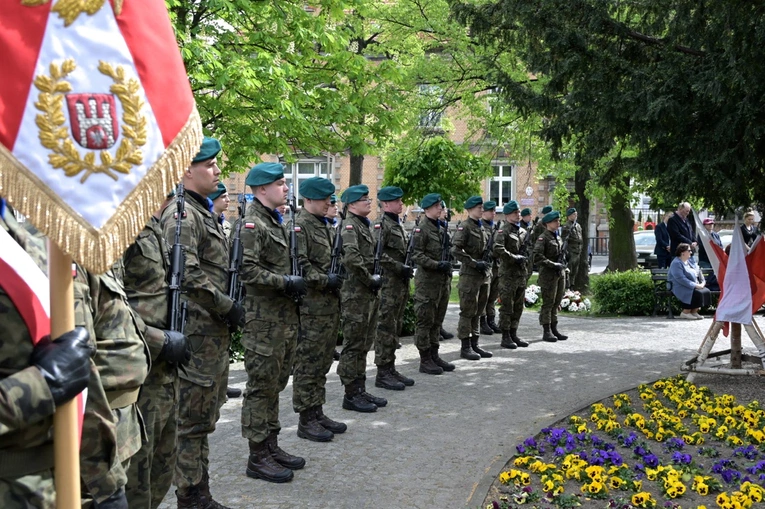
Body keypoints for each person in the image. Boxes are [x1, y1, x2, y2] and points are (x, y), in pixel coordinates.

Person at [160, 137, 243, 507]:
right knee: (191, 421)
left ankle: (201, 491)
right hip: (195, 334)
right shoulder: (182, 214)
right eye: (210, 165)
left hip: (210, 335)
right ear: (186, 169)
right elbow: (188, 276)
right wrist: (228, 306)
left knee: (204, 417)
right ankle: (190, 496)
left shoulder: (201, 211)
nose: (218, 170)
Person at [0, 199, 92, 509]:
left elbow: (76, 361)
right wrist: (41, 385)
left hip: (51, 482)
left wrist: (107, 478)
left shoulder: (14, 231)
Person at [238, 162, 306, 483]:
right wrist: (285, 282)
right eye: (280, 183)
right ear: (262, 189)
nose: (286, 187)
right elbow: (247, 271)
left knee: (275, 384)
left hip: (282, 319)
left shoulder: (276, 222)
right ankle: (257, 455)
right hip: (262, 321)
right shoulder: (252, 225)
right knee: (261, 386)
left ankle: (271, 443)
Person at [123, 194, 191, 508]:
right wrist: (159, 340)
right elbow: (107, 307)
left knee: (163, 466)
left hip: (166, 373)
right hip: (138, 372)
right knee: (136, 474)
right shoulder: (120, 226)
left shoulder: (154, 223)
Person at [75, 259, 151, 509]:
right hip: (100, 430)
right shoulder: (67, 259)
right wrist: (103, 480)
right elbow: (78, 373)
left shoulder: (92, 253)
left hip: (122, 423)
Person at [291, 177, 347, 443]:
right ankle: (306, 418)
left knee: (323, 361)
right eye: (325, 199)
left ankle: (317, 410)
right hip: (311, 308)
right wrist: (327, 280)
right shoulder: (301, 226)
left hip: (328, 307)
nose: (329, 203)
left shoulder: (323, 225)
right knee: (308, 363)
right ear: (310, 199)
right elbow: (301, 265)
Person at [337, 185, 388, 412]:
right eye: (363, 199)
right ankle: (350, 394)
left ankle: (360, 388)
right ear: (351, 204)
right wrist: (370, 278)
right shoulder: (349, 226)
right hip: (356, 293)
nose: (369, 201)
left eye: (368, 198)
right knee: (353, 345)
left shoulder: (362, 225)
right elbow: (352, 258)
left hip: (366, 293)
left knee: (364, 344)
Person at [373, 186, 416, 391]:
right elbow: (378, 255)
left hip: (400, 284)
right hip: (389, 284)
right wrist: (400, 267)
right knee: (385, 329)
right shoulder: (382, 225)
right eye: (397, 201)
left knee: (395, 327)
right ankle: (382, 371)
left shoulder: (396, 224)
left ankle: (390, 367)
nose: (401, 204)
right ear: (386, 204)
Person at [412, 194, 455, 375]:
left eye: (441, 206)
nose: (440, 208)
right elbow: (416, 255)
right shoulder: (422, 229)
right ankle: (425, 358)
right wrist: (436, 265)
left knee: (437, 320)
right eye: (437, 206)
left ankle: (434, 353)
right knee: (425, 321)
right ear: (427, 208)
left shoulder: (440, 229)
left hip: (441, 282)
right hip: (428, 282)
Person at [208, 183, 242, 401]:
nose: (228, 199)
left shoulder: (225, 225)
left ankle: (223, 381)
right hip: (211, 296)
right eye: (223, 196)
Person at [452, 195, 493, 360]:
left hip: (483, 276)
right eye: (479, 207)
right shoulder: (465, 227)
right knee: (467, 312)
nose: (482, 210)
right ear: (470, 210)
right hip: (470, 276)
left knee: (479, 312)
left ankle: (475, 343)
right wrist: (474, 263)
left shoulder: (482, 227)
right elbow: (455, 250)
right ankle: (465, 346)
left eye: (482, 207)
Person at [493, 201, 531, 349]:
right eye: (515, 213)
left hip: (520, 274)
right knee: (507, 306)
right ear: (508, 214)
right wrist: (514, 257)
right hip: (508, 274)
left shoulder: (522, 231)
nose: (518, 215)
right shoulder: (503, 231)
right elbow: (498, 249)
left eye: (519, 212)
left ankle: (514, 332)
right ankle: (505, 335)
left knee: (518, 306)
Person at [533, 210, 568, 342]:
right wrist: (553, 264)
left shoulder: (557, 237)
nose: (558, 223)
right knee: (548, 303)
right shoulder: (543, 238)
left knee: (556, 302)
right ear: (548, 223)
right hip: (548, 275)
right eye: (555, 221)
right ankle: (546, 330)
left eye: (558, 220)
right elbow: (537, 257)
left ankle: (554, 328)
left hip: (559, 274)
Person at [668, 243, 710, 319]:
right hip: (679, 285)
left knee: (706, 291)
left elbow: (699, 271)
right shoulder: (676, 263)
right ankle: (685, 312)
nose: (691, 252)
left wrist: (702, 282)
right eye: (689, 250)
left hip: (692, 284)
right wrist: (695, 285)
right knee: (696, 292)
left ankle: (694, 311)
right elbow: (681, 279)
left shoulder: (690, 261)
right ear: (682, 252)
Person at [479, 201, 502, 335]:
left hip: (496, 266)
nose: (493, 213)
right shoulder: (481, 227)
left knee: (493, 295)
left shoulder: (495, 228)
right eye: (490, 211)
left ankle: (491, 320)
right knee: (484, 296)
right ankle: (482, 322)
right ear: (484, 212)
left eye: (494, 211)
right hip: (486, 266)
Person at [438, 204, 456, 341]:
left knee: (443, 303)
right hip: (435, 272)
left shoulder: (444, 228)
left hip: (446, 272)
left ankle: (439, 326)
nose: (444, 212)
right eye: (443, 209)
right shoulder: (431, 228)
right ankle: (435, 330)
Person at [561, 207, 583, 290]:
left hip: (577, 251)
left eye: (576, 214)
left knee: (575, 271)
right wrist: (566, 252)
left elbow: (580, 238)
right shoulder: (567, 226)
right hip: (571, 251)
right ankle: (568, 286)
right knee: (569, 270)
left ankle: (572, 285)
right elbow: (564, 239)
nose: (575, 216)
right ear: (569, 216)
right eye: (574, 214)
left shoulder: (577, 226)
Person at [520, 208, 534, 284]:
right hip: (524, 252)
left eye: (530, 215)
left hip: (530, 252)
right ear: (524, 217)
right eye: (528, 215)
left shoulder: (531, 225)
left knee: (530, 270)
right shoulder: (520, 227)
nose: (530, 217)